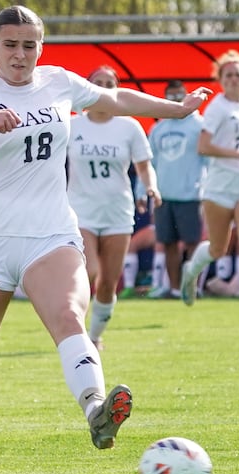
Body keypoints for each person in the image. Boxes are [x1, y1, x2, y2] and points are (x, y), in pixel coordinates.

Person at [0, 5, 210, 474]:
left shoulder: (59, 81)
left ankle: (96, 410)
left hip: (51, 232)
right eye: (10, 45)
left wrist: (178, 108)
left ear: (40, 47)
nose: (20, 54)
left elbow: (116, 97)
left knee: (68, 315)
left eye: (29, 44)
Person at [66, 65, 161, 348]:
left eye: (110, 83)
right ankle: (75, 334)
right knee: (89, 270)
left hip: (118, 211)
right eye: (99, 82)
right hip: (80, 209)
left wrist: (150, 187)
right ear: (88, 87)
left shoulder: (129, 126)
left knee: (108, 282)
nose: (105, 86)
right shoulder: (72, 125)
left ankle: (94, 337)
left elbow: (144, 167)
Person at [181, 50, 239, 306]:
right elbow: (203, 146)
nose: (234, 79)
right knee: (218, 249)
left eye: (238, 74)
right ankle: (191, 273)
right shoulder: (218, 106)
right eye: (228, 75)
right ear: (220, 79)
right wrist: (237, 155)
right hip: (218, 186)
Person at [146, 80, 206, 300]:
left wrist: (207, 190)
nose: (175, 100)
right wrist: (143, 191)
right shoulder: (158, 128)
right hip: (164, 196)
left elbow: (208, 161)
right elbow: (148, 163)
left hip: (191, 195)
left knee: (192, 243)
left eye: (179, 95)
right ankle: (173, 288)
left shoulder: (199, 125)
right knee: (168, 243)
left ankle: (192, 286)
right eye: (170, 96)